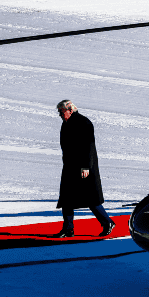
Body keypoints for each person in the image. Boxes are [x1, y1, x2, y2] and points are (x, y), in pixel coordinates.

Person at [53, 100, 115, 238]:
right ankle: (68, 228)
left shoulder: (84, 123)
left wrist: (86, 166)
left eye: (61, 111)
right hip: (70, 167)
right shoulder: (66, 124)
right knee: (66, 198)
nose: (59, 114)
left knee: (91, 199)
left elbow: (88, 147)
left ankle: (107, 222)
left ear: (70, 109)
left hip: (84, 168)